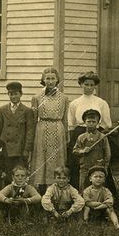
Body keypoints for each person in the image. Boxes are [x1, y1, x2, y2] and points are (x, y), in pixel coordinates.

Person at [67, 71, 112, 188]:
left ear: (95, 86)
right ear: (81, 85)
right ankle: (77, 191)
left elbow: (107, 123)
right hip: (79, 134)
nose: (89, 87)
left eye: (92, 85)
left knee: (97, 163)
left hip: (97, 135)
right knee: (77, 165)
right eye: (86, 84)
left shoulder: (101, 103)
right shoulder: (74, 103)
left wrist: (97, 134)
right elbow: (71, 123)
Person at [30, 66, 69, 194]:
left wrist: (66, 135)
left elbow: (65, 119)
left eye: (53, 78)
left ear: (57, 80)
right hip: (42, 129)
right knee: (42, 158)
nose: (50, 81)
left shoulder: (64, 98)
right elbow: (34, 119)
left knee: (57, 158)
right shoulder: (36, 97)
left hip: (58, 129)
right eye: (48, 78)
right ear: (43, 79)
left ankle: (57, 189)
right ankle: (40, 189)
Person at [0, 81, 35, 175]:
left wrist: (27, 149)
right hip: (6, 148)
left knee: (20, 173)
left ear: (21, 94)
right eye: (11, 94)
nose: (13, 97)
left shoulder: (27, 111)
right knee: (6, 174)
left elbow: (30, 131)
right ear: (8, 94)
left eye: (16, 94)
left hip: (20, 149)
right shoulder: (2, 110)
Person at [72, 109, 111, 193]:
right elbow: (75, 150)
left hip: (98, 166)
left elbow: (107, 154)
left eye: (94, 122)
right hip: (85, 167)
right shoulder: (81, 137)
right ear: (84, 122)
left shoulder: (102, 137)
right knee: (83, 188)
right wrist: (82, 151)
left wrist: (105, 165)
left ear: (98, 123)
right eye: (88, 121)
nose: (91, 124)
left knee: (99, 189)